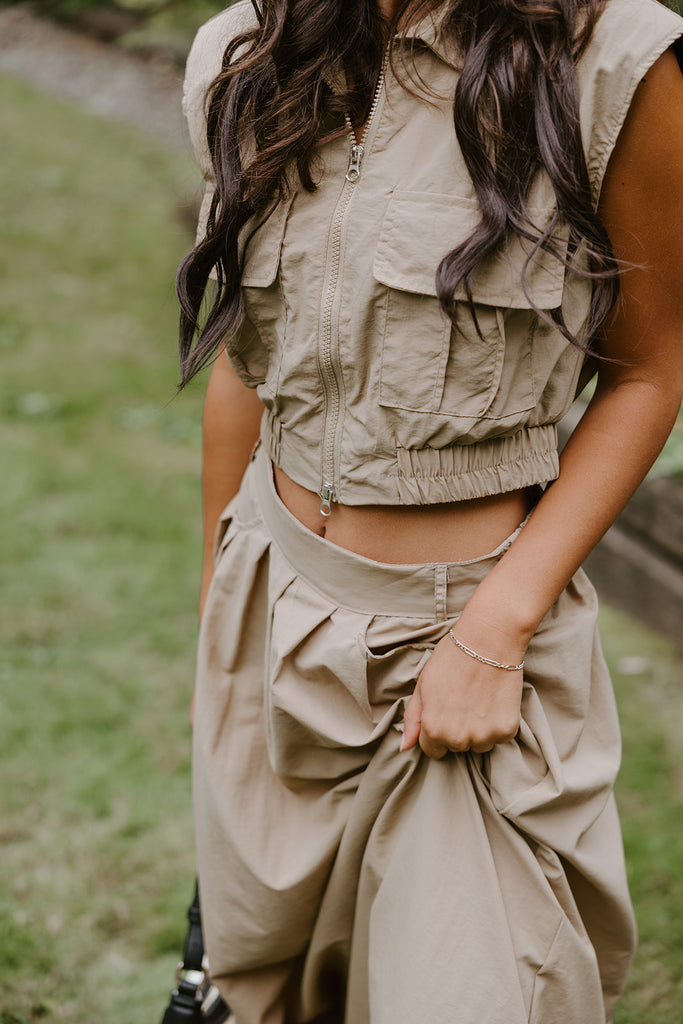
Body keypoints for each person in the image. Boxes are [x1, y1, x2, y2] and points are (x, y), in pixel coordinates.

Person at [177, 0, 683, 1020]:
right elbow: (248, 361)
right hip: (270, 609)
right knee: (270, 999)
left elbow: (648, 369)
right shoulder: (246, 49)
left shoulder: (613, 58)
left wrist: (495, 630)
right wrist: (219, 602)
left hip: (457, 661)